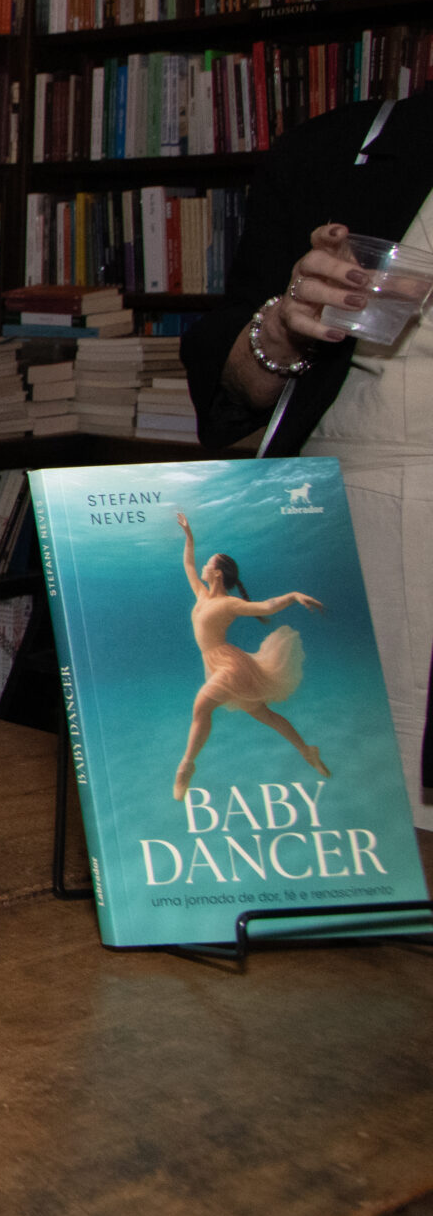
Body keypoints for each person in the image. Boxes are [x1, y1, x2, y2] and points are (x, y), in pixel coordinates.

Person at [180, 87, 433, 828]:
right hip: (367, 535)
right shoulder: (335, 152)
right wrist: (284, 327)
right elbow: (232, 390)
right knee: (368, 820)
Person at [171, 511, 329, 800]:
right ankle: (308, 751)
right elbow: (188, 564)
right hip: (216, 663)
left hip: (229, 666)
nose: (204, 566)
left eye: (209, 563)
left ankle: (186, 768)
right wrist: (189, 537)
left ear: (218, 573)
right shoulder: (202, 595)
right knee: (264, 714)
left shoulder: (230, 604)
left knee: (201, 706)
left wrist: (294, 595)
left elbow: (267, 607)